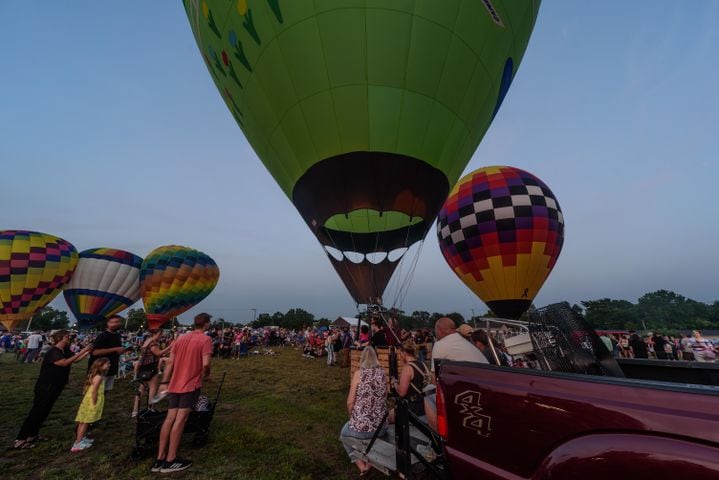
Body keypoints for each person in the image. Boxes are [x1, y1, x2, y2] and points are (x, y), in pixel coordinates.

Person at [151, 313, 213, 474]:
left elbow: (170, 362)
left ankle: (159, 458)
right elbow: (206, 364)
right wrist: (206, 374)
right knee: (180, 420)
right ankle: (171, 459)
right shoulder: (205, 340)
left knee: (169, 418)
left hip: (174, 384)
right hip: (190, 385)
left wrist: (164, 382)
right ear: (206, 324)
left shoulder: (180, 338)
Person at [14, 330, 92, 449]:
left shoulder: (65, 350)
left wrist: (86, 353)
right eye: (67, 336)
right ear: (60, 338)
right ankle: (20, 439)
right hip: (46, 386)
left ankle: (32, 435)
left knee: (45, 411)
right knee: (37, 411)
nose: (69, 338)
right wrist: (83, 350)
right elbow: (64, 363)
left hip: (57, 385)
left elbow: (74, 360)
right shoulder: (53, 352)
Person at [426, 317, 488, 431]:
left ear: (439, 330)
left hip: (471, 394)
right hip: (484, 389)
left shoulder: (441, 344)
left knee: (428, 394)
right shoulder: (463, 342)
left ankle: (436, 440)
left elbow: (435, 380)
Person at [339, 347, 388, 476]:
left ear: (362, 359)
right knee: (375, 440)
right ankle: (371, 463)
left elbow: (349, 402)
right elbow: (385, 396)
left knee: (343, 435)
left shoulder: (359, 374)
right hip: (380, 427)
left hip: (360, 428)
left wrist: (352, 418)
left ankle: (362, 466)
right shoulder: (382, 373)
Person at [132, 329, 172, 417]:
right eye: (160, 334)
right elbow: (158, 353)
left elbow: (155, 354)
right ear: (154, 334)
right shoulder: (153, 343)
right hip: (150, 367)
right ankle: (150, 408)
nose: (161, 336)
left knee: (141, 388)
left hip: (143, 367)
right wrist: (170, 346)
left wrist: (167, 351)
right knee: (152, 388)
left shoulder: (147, 341)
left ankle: (135, 410)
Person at [72, 357, 110, 452]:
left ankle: (80, 438)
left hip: (87, 400)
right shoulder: (98, 377)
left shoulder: (96, 375)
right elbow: (94, 391)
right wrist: (94, 402)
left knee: (83, 421)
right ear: (100, 365)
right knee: (85, 422)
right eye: (107, 364)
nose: (109, 365)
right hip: (92, 401)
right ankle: (78, 443)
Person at [390, 340, 431, 420]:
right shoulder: (422, 364)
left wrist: (394, 383)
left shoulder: (407, 368)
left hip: (412, 409)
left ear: (404, 353)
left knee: (387, 418)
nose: (400, 356)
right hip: (424, 406)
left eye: (400, 354)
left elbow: (402, 393)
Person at [88, 315, 126, 391]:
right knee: (95, 394)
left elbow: (114, 351)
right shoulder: (102, 336)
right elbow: (95, 352)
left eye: (117, 322)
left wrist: (120, 351)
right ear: (108, 324)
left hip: (111, 369)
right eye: (113, 322)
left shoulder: (117, 335)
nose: (115, 324)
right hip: (100, 370)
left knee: (105, 392)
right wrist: (116, 349)